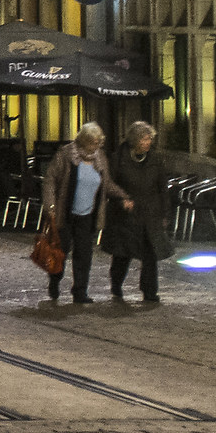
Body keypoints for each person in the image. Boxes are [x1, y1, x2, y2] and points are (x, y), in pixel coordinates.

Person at [40, 122, 111, 303]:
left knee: (84, 254)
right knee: (61, 251)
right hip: (66, 213)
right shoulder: (66, 154)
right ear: (84, 141)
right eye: (93, 142)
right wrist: (50, 206)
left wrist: (124, 196)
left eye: (98, 142)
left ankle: (80, 291)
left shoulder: (100, 158)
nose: (96, 146)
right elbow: (50, 180)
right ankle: (55, 281)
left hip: (87, 214)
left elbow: (107, 184)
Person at [103, 120, 173, 304]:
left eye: (149, 139)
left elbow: (162, 188)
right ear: (135, 140)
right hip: (126, 215)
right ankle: (116, 284)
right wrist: (121, 199)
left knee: (150, 254)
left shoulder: (156, 160)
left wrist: (165, 213)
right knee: (123, 253)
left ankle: (150, 291)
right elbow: (110, 183)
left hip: (149, 213)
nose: (148, 142)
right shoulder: (118, 158)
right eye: (144, 139)